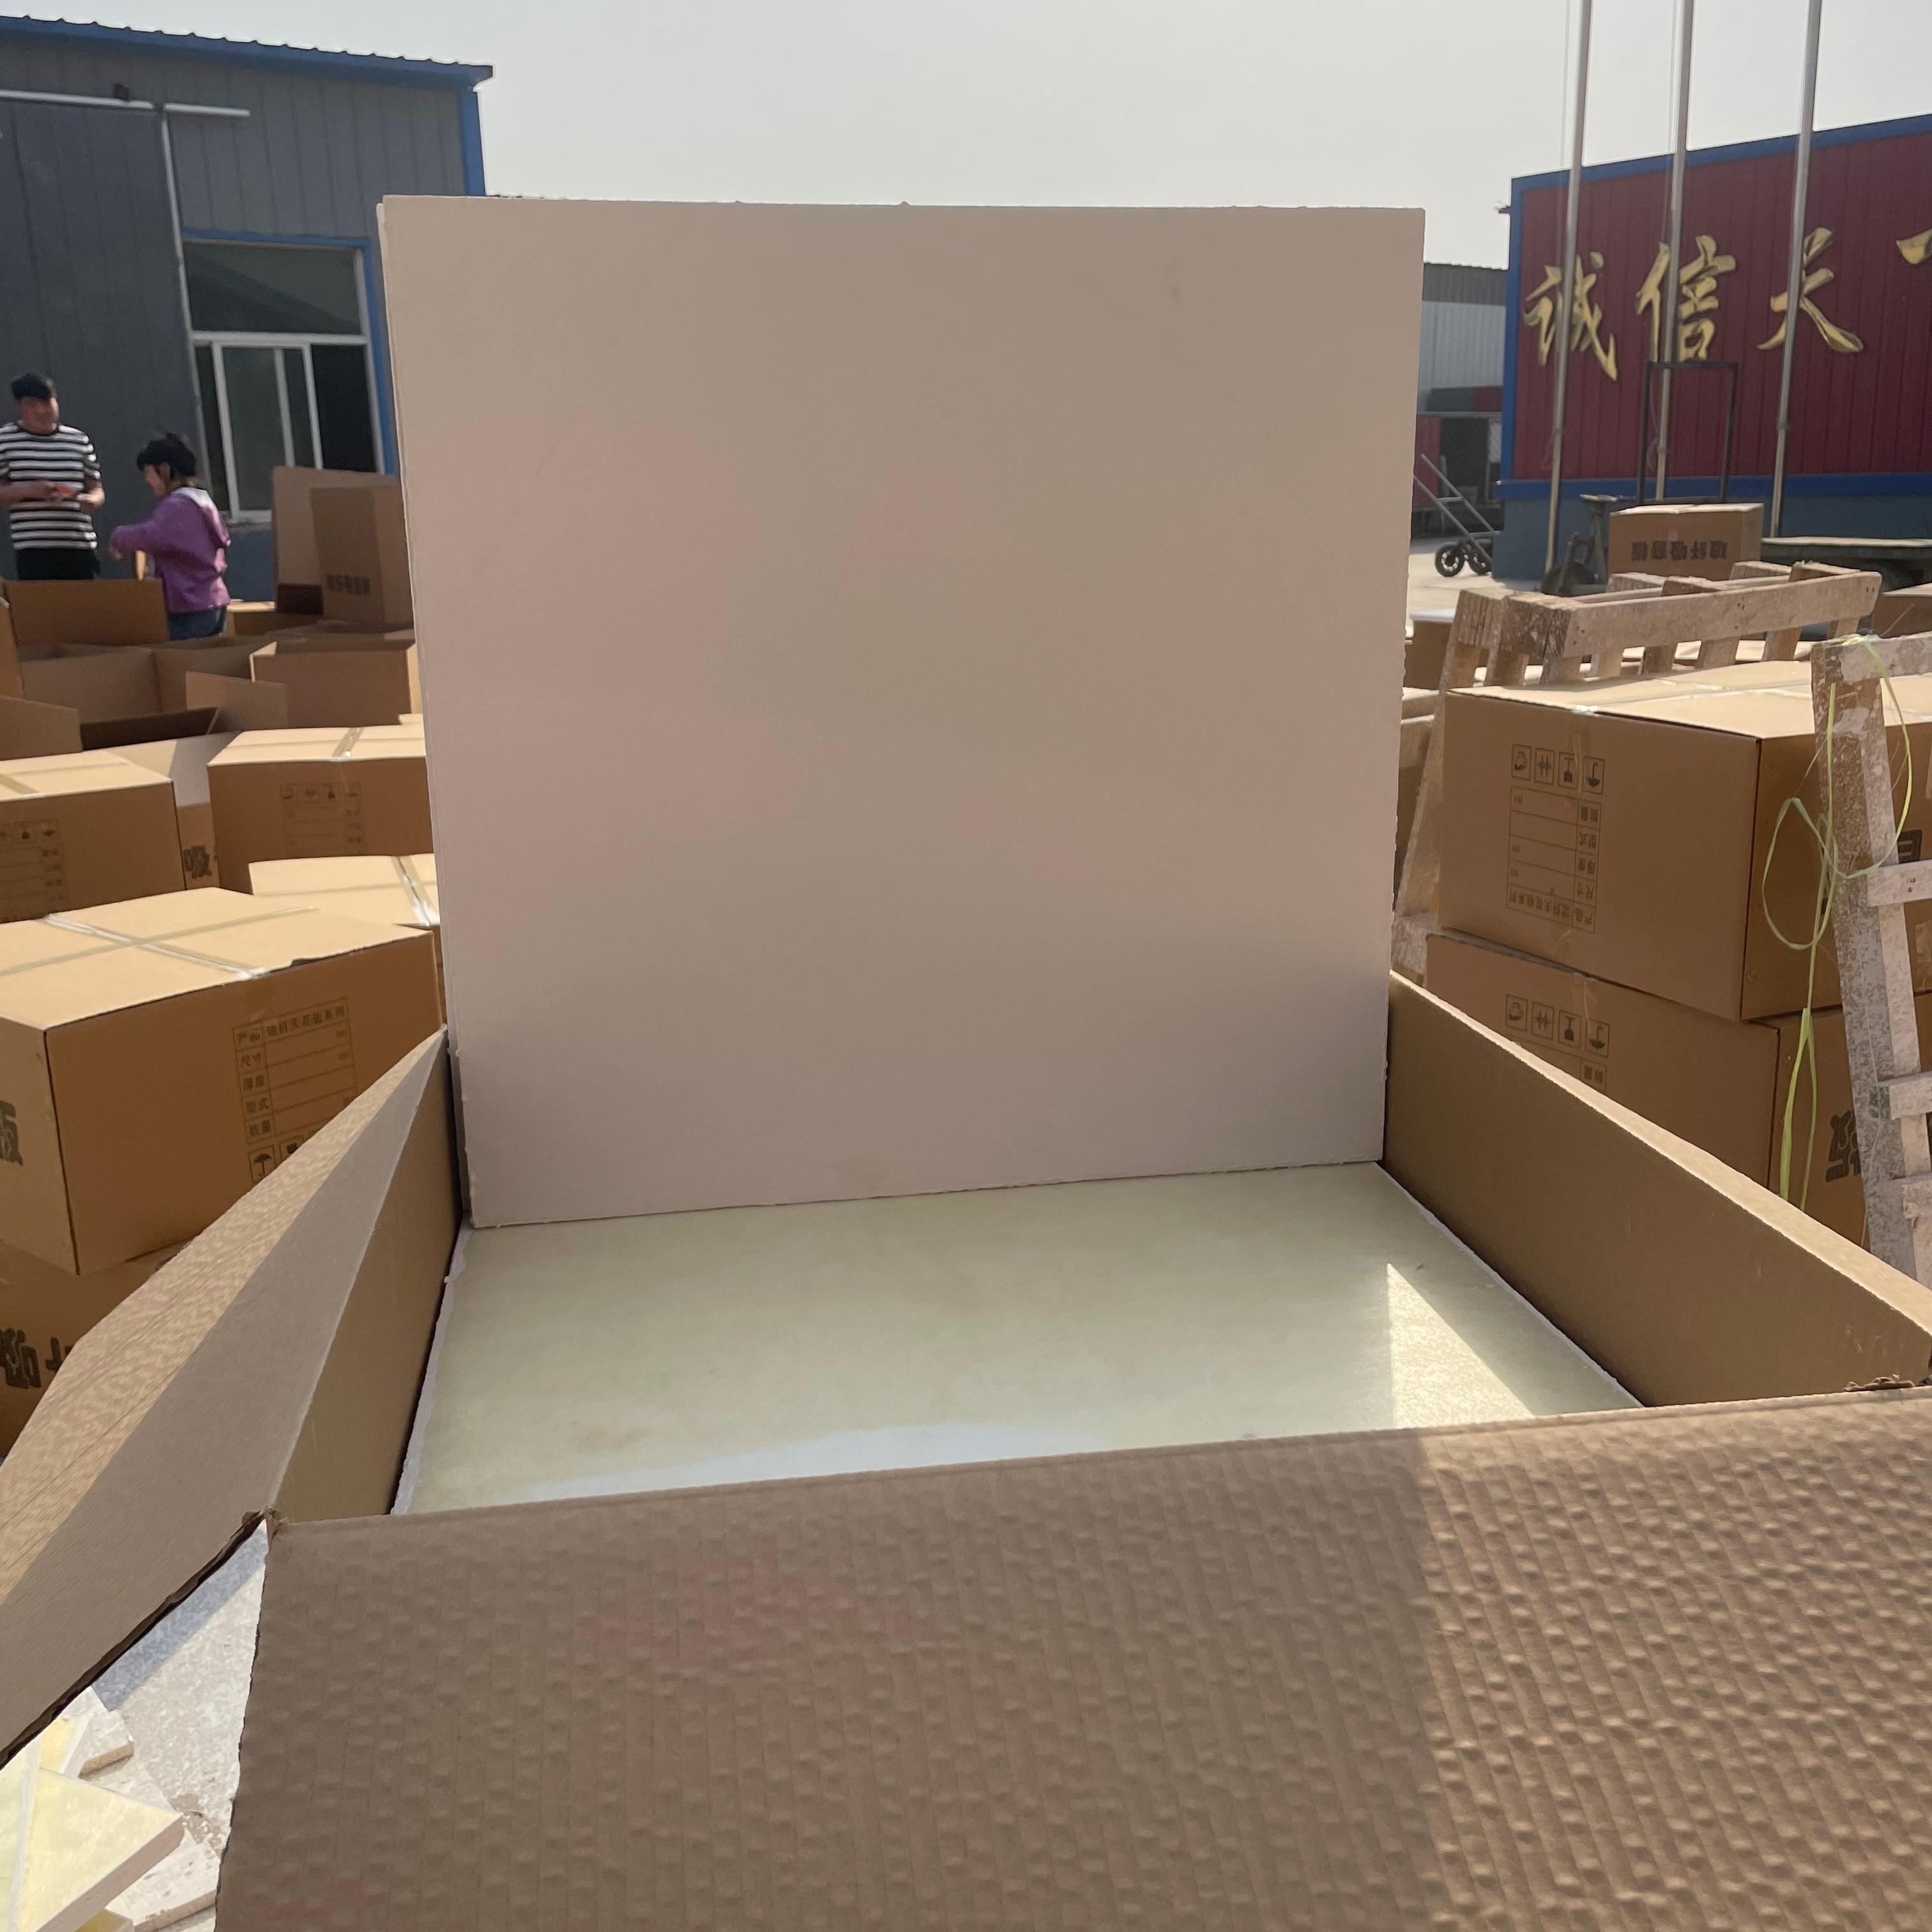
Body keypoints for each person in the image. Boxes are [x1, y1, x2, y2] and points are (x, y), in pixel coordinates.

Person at [107, 434, 231, 640]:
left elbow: (151, 536)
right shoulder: (203, 502)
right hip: (214, 601)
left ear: (164, 470)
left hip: (188, 606)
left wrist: (118, 535)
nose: (148, 481)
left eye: (149, 474)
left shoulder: (176, 506)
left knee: (170, 656)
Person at [0, 372, 104, 578]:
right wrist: (30, 491)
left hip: (81, 546)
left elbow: (96, 487)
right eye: (32, 405)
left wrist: (92, 500)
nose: (41, 410)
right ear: (20, 406)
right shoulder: (5, 440)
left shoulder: (78, 440)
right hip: (35, 550)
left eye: (47, 402)